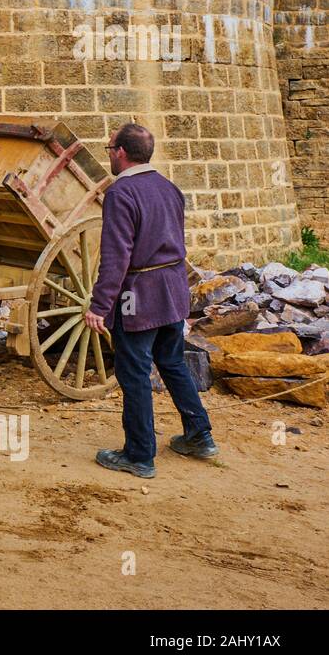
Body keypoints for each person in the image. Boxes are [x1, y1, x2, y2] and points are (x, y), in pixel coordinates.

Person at [84, 123, 217, 479]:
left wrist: (99, 305)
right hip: (172, 294)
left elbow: (116, 256)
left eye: (109, 147)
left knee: (134, 373)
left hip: (138, 297)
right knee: (172, 362)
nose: (108, 153)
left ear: (122, 153)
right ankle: (199, 435)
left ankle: (139, 455)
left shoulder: (121, 193)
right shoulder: (169, 188)